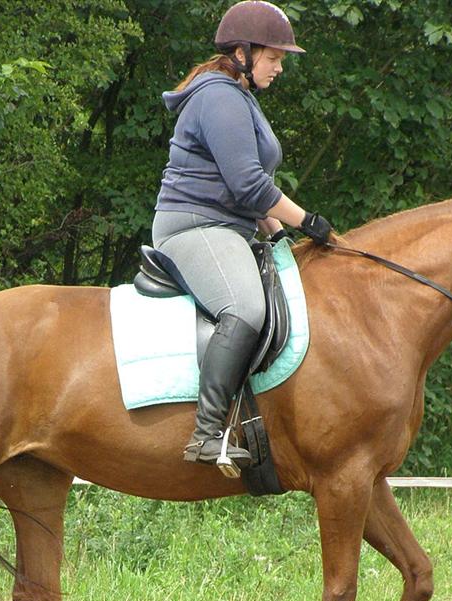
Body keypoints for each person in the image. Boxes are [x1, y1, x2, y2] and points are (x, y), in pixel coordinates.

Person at [153, 0, 334, 469]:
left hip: (229, 226)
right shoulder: (219, 96)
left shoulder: (239, 97)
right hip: (195, 226)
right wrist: (306, 219)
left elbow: (249, 193)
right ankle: (207, 432)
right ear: (242, 52)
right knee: (247, 307)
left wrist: (277, 234)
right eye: (274, 58)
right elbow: (249, 184)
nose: (279, 68)